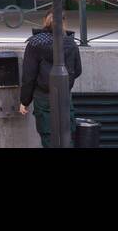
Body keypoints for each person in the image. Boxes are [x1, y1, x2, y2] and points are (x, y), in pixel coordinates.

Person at [19, 11, 83, 147]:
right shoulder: (70, 43)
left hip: (43, 96)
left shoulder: (35, 43)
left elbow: (28, 76)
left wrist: (25, 101)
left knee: (48, 137)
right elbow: (78, 70)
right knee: (67, 135)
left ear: (44, 21)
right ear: (64, 22)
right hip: (65, 95)